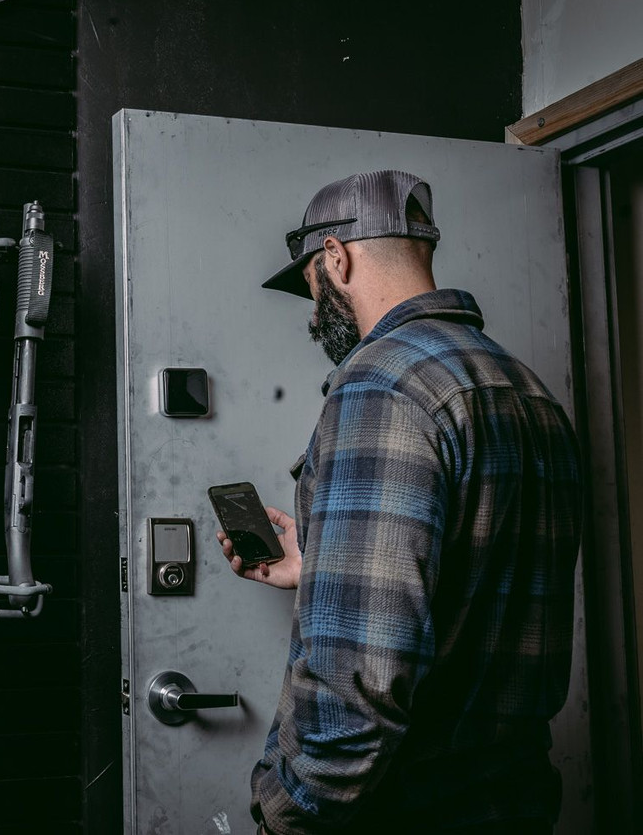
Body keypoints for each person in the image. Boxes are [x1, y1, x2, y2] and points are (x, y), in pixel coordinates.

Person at [218, 170, 583, 834]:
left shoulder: (380, 385)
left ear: (336, 258)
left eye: (311, 289)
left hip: (409, 812)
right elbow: (482, 577)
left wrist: (285, 812)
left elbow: (360, 689)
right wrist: (323, 562)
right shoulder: (527, 389)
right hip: (515, 804)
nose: (312, 312)